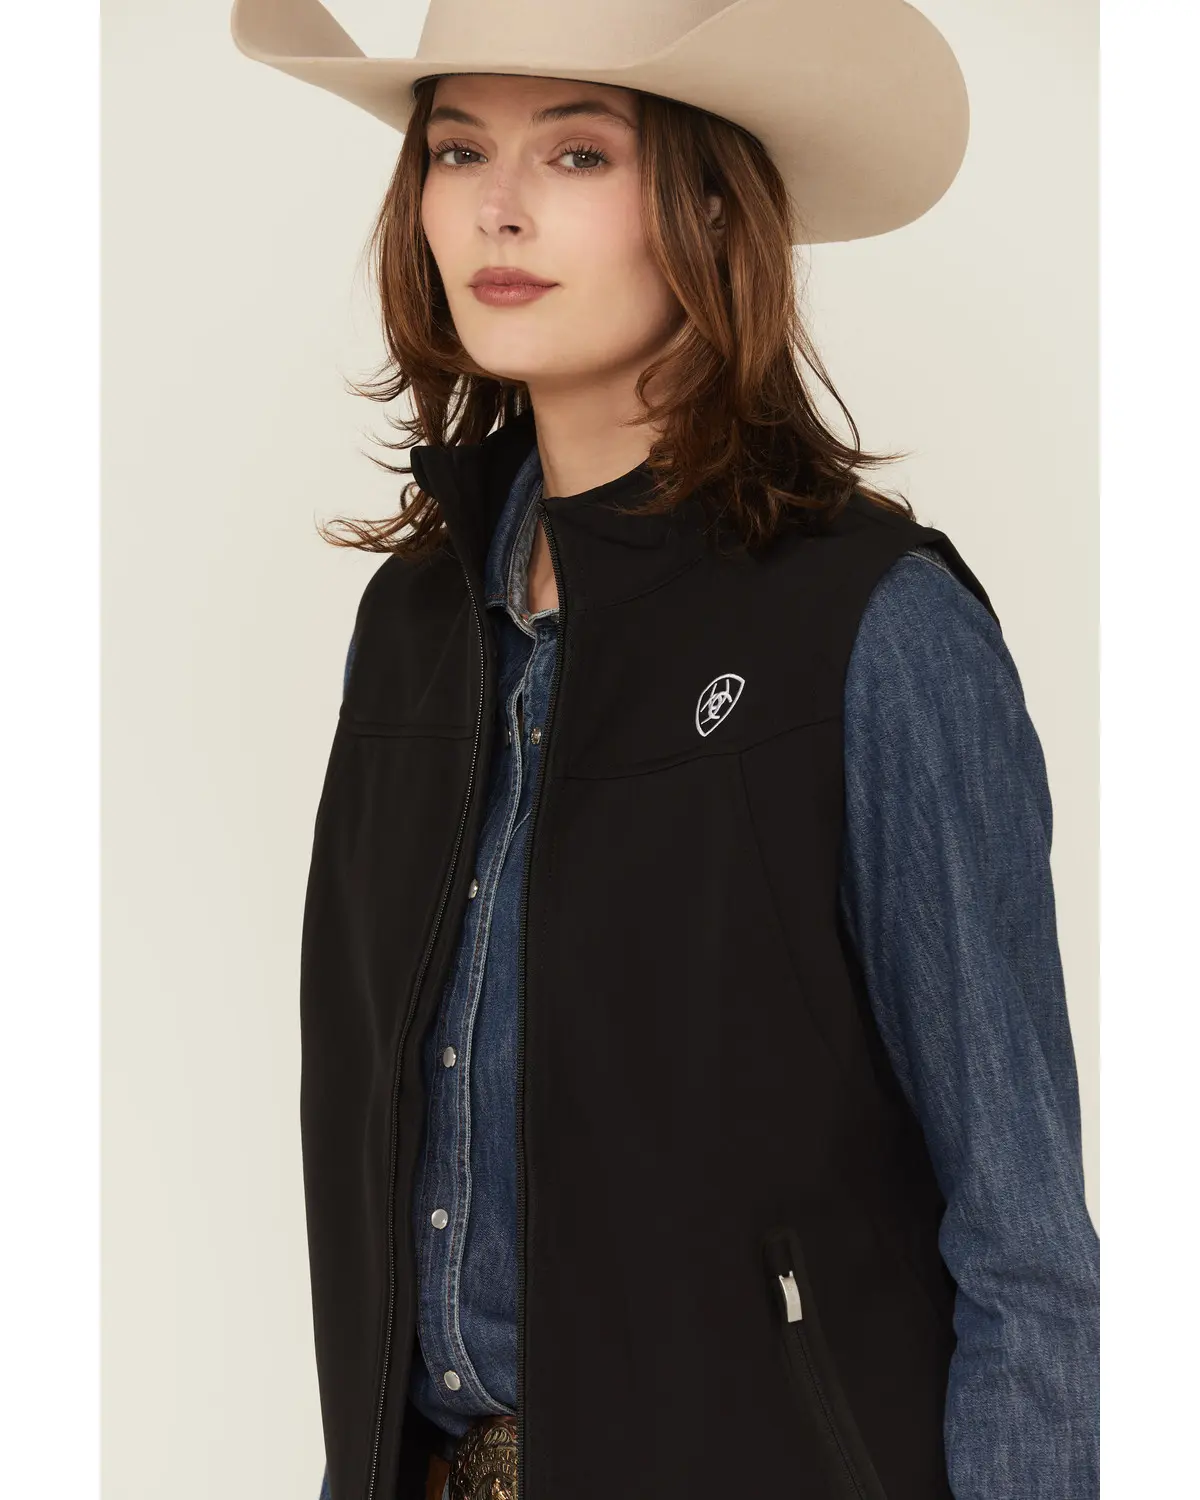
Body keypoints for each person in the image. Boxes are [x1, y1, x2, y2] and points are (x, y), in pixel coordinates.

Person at [230, 3, 1100, 1498]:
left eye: (578, 152)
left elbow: (1023, 1240)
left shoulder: (872, 628)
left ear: (707, 205)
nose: (499, 208)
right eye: (458, 151)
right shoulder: (419, 624)